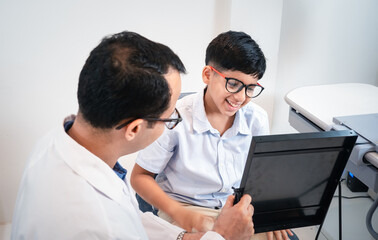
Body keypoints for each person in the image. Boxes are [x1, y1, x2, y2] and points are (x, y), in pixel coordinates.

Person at [11, 31, 255, 240]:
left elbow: (130, 218)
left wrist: (183, 236)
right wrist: (222, 236)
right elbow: (117, 225)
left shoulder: (60, 140)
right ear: (135, 129)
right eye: (170, 118)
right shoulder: (93, 223)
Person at [131, 31, 295, 240]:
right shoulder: (175, 117)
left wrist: (268, 211)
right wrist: (180, 213)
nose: (241, 97)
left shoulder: (257, 119)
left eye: (250, 88)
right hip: (186, 207)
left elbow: (260, 175)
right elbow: (140, 177)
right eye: (233, 84)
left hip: (235, 207)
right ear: (208, 75)